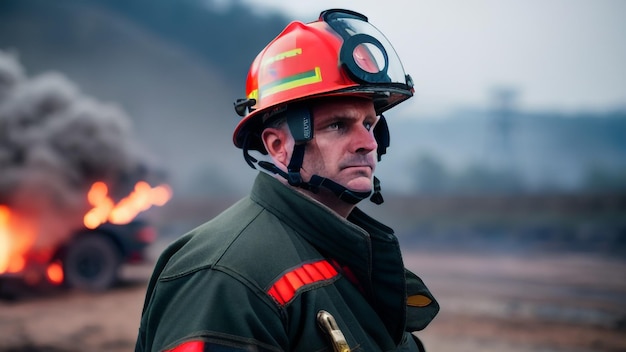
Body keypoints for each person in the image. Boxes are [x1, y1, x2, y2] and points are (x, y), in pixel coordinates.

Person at [135, 8, 439, 352]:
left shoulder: (344, 253)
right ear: (278, 146)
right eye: (337, 125)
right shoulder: (224, 277)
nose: (366, 143)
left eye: (369, 125)